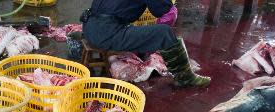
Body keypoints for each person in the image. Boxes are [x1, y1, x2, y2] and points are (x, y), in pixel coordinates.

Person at [81, 0, 210, 87]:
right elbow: (164, 10)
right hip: (107, 33)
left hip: (89, 27)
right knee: (164, 32)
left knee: (144, 32)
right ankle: (185, 78)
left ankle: (145, 53)